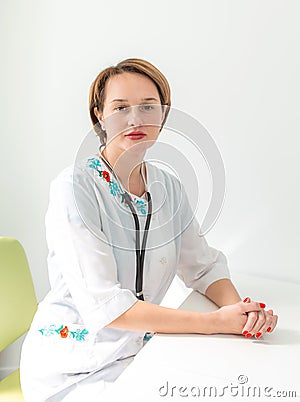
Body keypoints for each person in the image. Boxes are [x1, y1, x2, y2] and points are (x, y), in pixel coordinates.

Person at [20, 58, 278, 401]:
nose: (134, 119)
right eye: (120, 107)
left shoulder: (167, 186)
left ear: (163, 113)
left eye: (147, 107)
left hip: (141, 351)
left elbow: (203, 265)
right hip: (74, 366)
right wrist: (217, 322)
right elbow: (109, 307)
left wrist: (241, 313)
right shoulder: (75, 187)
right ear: (99, 115)